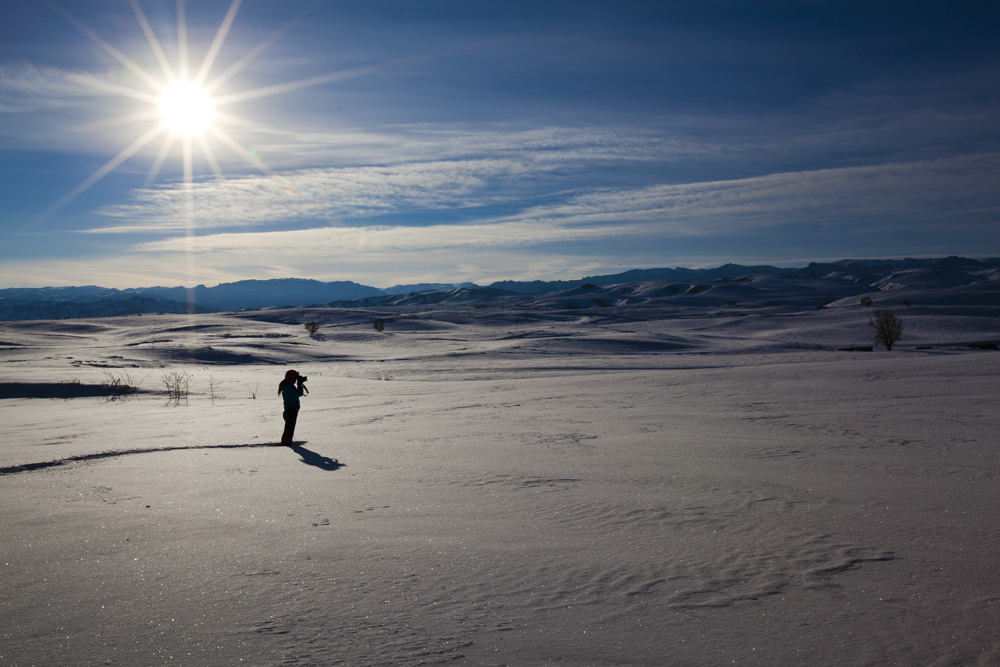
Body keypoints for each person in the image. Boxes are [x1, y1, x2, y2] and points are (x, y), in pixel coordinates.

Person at [278, 369, 308, 446]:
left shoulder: (287, 386)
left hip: (290, 410)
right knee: (289, 428)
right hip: (291, 410)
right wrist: (300, 384)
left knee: (289, 428)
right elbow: (299, 393)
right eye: (294, 378)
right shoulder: (288, 387)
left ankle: (287, 441)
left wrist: (299, 383)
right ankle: (286, 442)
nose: (295, 380)